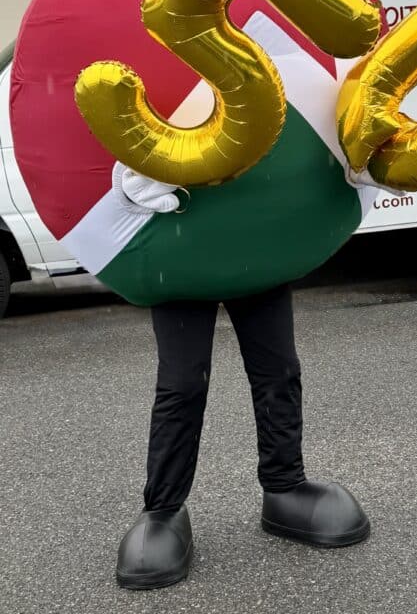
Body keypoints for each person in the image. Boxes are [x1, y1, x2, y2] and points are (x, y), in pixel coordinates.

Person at [114, 167, 372, 591]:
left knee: (279, 370)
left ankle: (284, 486)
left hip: (255, 239)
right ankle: (162, 509)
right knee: (182, 385)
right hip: (178, 247)